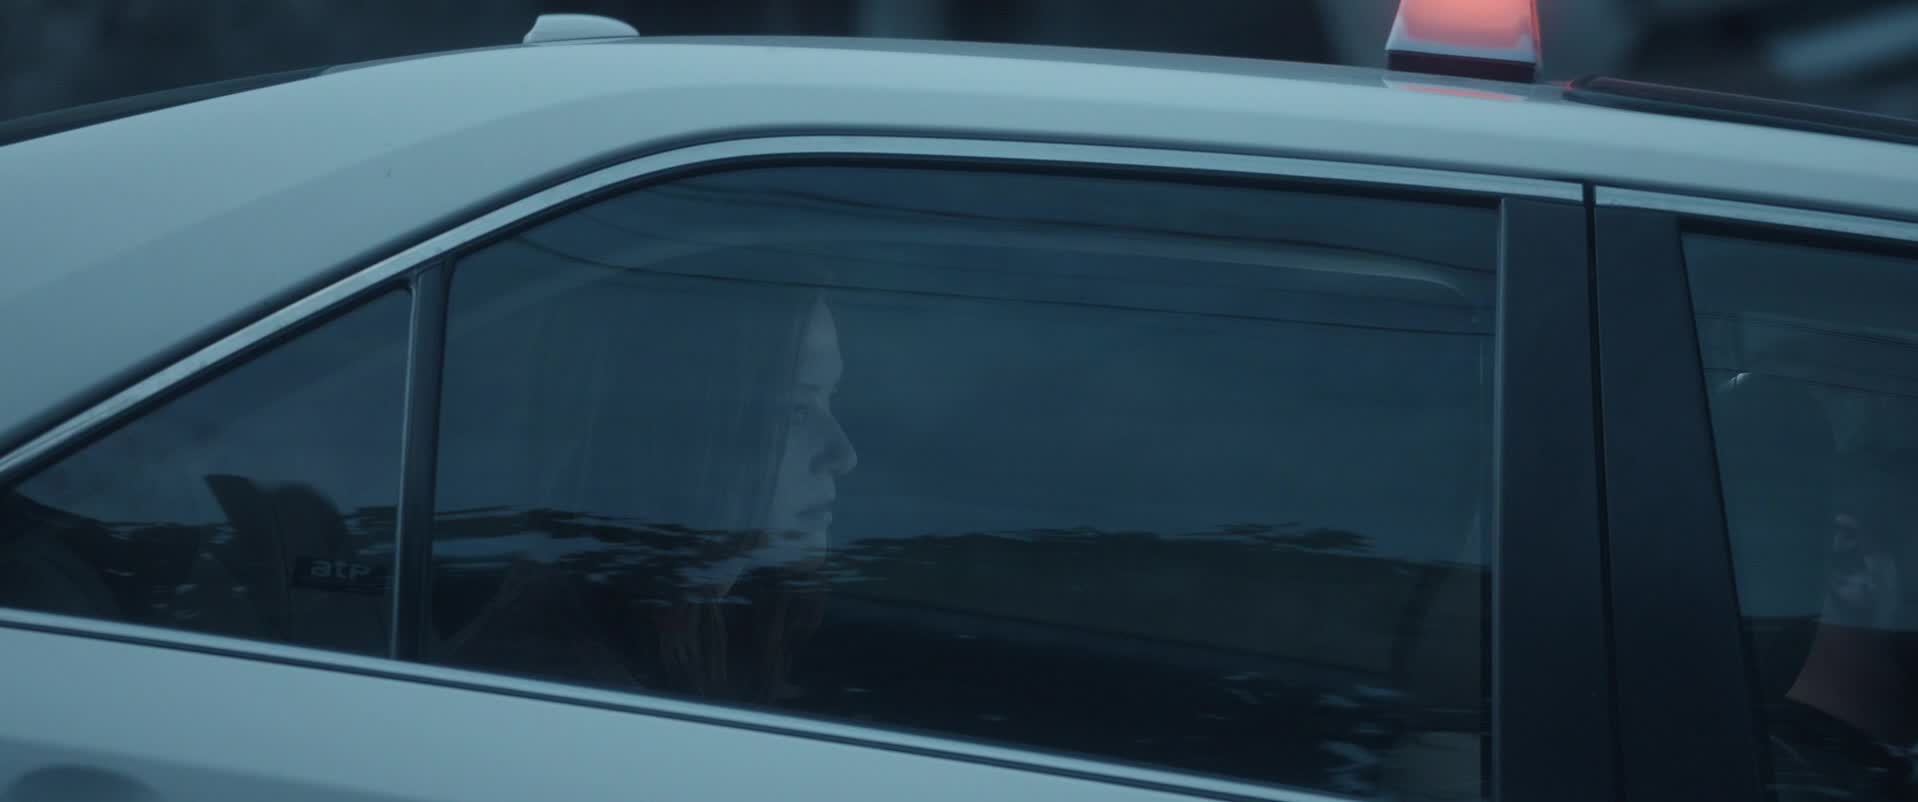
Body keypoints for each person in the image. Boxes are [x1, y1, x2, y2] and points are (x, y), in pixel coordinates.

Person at [433, 262, 858, 705]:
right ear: (685, 435)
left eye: (830, 399)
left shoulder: (715, 629)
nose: (844, 455)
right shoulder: (555, 696)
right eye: (795, 411)